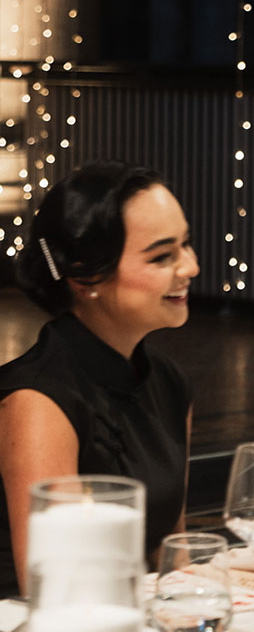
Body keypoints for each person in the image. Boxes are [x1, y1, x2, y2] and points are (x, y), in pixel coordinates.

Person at [0, 162, 197, 596]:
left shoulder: (169, 382)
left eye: (186, 245)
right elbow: (55, 588)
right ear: (87, 277)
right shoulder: (39, 401)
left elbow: (171, 557)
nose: (191, 267)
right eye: (162, 255)